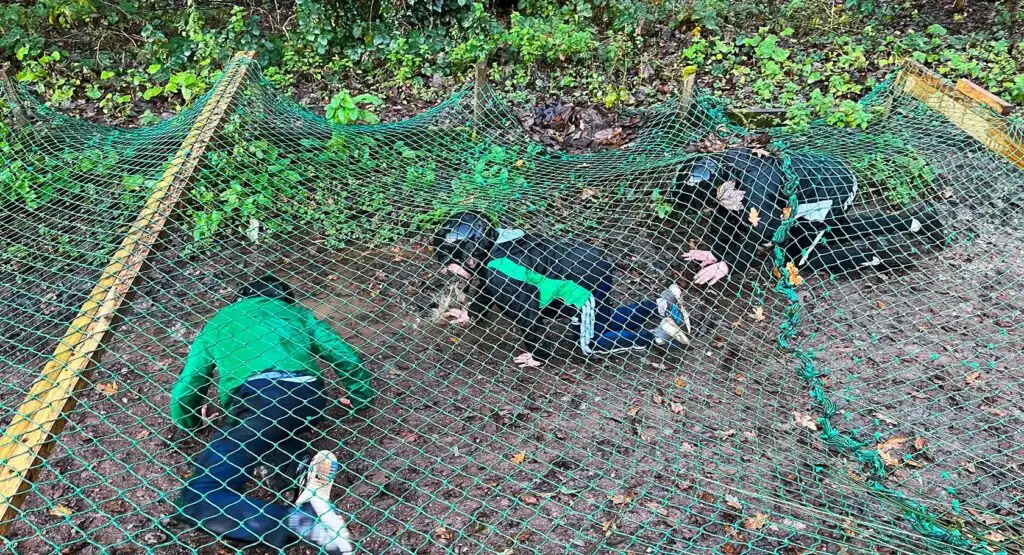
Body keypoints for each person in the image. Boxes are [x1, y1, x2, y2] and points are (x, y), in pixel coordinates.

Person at [170, 274, 375, 554]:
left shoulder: (222, 320)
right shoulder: (296, 313)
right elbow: (341, 352)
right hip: (309, 397)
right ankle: (298, 471)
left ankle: (303, 523)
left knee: (198, 496)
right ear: (283, 298)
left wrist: (189, 420)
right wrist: (359, 396)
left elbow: (191, 379)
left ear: (240, 298)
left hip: (258, 399)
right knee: (270, 432)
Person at [432, 211, 692, 368]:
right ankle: (663, 304)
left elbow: (527, 317)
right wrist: (474, 314)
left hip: (582, 287)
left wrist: (539, 353)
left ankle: (659, 334)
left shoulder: (500, 274)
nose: (446, 270)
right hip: (591, 264)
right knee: (601, 321)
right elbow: (486, 286)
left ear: (469, 255)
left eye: (450, 262)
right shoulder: (500, 243)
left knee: (590, 343)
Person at [673, 148, 947, 285]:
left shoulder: (756, 189)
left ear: (720, 187)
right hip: (812, 183)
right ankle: (917, 220)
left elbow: (763, 232)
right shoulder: (726, 165)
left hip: (833, 189)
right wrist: (715, 249)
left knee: (800, 258)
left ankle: (880, 255)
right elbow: (728, 215)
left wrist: (728, 264)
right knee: (834, 230)